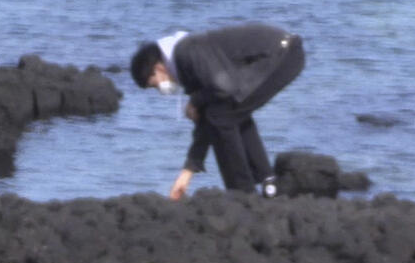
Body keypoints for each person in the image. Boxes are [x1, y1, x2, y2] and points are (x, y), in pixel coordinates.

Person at [130, 23, 304, 199]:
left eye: (155, 85)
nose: (160, 90)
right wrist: (188, 172)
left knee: (222, 116)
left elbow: (223, 88)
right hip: (281, 54)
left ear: (158, 68)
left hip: (283, 55)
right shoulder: (183, 60)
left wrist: (196, 100)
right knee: (227, 111)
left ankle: (242, 193)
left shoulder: (186, 52)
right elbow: (207, 112)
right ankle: (268, 185)